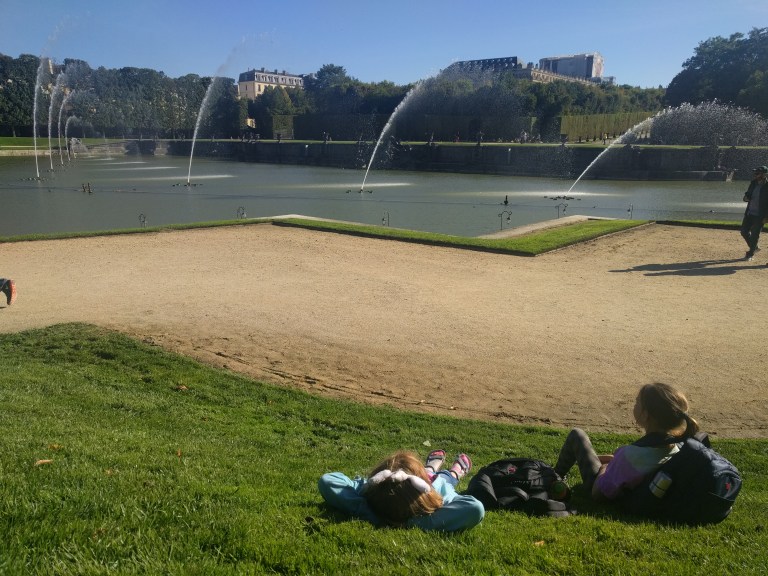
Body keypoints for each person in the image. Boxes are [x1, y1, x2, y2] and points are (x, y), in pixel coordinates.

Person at [553, 382, 700, 501]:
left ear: (646, 415)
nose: (634, 405)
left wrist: (605, 468)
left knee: (577, 435)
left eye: (637, 403)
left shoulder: (630, 455)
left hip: (603, 489)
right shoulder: (675, 449)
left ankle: (555, 476)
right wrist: (615, 461)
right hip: (637, 486)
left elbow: (597, 494)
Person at [318, 449, 484, 532]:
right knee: (445, 479)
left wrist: (367, 491)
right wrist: (415, 523)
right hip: (431, 488)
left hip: (420, 483)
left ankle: (430, 467)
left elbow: (328, 480)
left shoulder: (374, 495)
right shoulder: (439, 496)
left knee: (429, 473)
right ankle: (453, 472)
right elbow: (474, 508)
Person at [740, 165, 768, 261]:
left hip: (760, 215)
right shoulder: (753, 183)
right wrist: (746, 198)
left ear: (764, 175)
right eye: (755, 173)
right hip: (749, 213)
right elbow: (747, 194)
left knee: (755, 235)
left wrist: (767, 216)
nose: (755, 174)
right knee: (744, 232)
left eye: (757, 173)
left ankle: (750, 254)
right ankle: (755, 247)